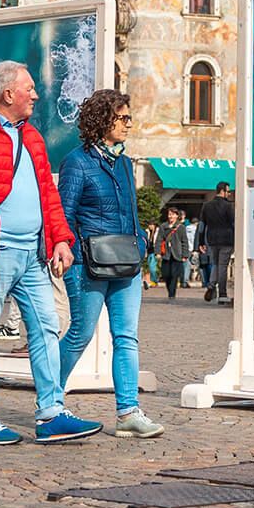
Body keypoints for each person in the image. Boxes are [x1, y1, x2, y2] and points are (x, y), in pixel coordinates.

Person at [0, 60, 101, 446]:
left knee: (47, 327)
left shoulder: (31, 137)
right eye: (29, 88)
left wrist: (61, 238)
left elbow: (48, 193)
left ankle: (51, 413)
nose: (35, 94)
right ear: (8, 94)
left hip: (32, 254)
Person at [56, 89, 162, 438]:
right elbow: (65, 212)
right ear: (104, 120)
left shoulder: (124, 163)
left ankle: (128, 412)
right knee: (80, 334)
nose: (129, 124)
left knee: (127, 337)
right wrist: (66, 252)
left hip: (127, 262)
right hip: (88, 263)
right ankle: (50, 398)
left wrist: (142, 243)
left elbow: (129, 210)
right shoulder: (77, 161)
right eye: (123, 118)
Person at [200, 181, 235, 305]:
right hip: (226, 239)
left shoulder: (207, 205)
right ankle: (223, 294)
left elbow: (202, 225)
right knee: (223, 266)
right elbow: (233, 223)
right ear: (222, 191)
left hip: (212, 239)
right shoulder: (228, 206)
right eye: (228, 191)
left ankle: (211, 285)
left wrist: (200, 241)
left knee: (215, 264)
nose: (229, 194)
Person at [152, 208, 186, 300]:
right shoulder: (163, 226)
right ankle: (170, 290)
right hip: (166, 254)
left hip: (177, 254)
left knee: (174, 275)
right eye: (169, 214)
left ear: (177, 216)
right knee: (166, 274)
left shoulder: (181, 227)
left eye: (173, 214)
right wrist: (157, 252)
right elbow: (159, 240)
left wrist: (185, 255)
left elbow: (184, 241)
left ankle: (172, 293)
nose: (171, 216)